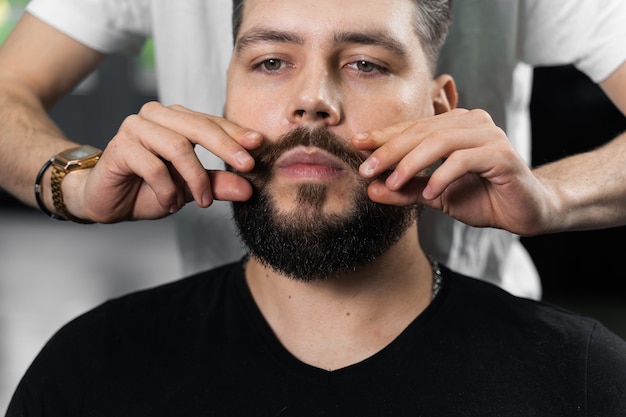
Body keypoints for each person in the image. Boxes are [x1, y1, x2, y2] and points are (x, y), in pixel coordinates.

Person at [6, 1, 626, 414]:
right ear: (225, 92)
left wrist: (551, 195)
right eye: (271, 61)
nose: (313, 101)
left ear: (440, 107)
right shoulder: (92, 371)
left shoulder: (582, 381)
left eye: (365, 63)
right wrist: (73, 183)